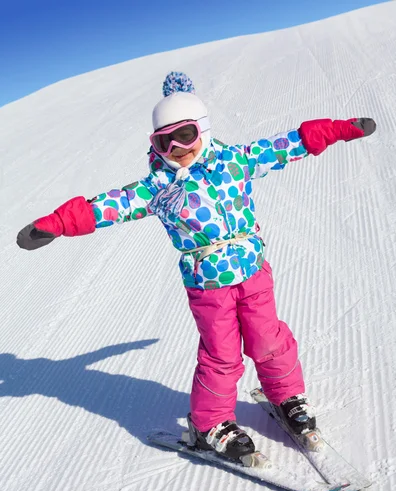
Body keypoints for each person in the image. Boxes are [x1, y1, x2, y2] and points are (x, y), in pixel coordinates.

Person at [17, 71, 376, 462]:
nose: (176, 147)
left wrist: (340, 129)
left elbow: (285, 145)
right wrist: (54, 224)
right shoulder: (158, 188)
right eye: (163, 140)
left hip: (252, 270)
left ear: (202, 129)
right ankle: (210, 424)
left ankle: (287, 398)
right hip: (208, 285)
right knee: (221, 354)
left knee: (269, 340)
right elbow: (108, 205)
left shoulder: (235, 161)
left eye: (185, 134)